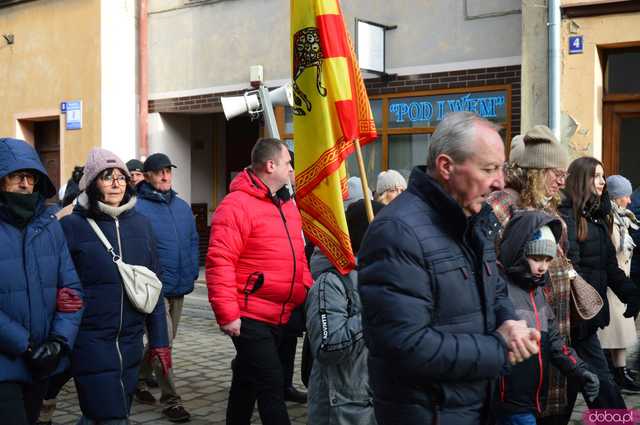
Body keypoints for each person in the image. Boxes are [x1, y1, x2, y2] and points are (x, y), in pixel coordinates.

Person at [357, 112, 541, 425]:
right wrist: (499, 347)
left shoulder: (472, 220)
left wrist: (508, 321)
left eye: (501, 168)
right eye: (489, 168)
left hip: (474, 407)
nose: (500, 181)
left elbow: (494, 290)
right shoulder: (397, 232)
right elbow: (406, 344)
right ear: (446, 167)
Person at [60, 148, 170, 425]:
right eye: (106, 177)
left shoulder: (142, 225)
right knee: (112, 417)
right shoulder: (72, 226)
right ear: (91, 184)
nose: (116, 183)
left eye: (121, 177)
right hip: (91, 340)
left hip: (132, 341)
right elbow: (56, 280)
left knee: (105, 413)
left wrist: (159, 340)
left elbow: (154, 285)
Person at [206, 138, 312, 425]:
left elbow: (297, 256)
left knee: (246, 380)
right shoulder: (236, 205)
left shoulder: (286, 203)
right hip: (249, 313)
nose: (292, 170)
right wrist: (228, 315)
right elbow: (220, 261)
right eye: (288, 163)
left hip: (280, 312)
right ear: (270, 165)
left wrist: (305, 290)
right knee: (271, 384)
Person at [486, 126, 575, 423]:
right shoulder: (502, 204)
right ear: (535, 171)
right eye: (555, 172)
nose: (562, 181)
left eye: (564, 173)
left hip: (549, 324)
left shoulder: (543, 205)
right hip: (520, 328)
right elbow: (487, 264)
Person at [0, 138, 83, 425]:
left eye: (31, 177)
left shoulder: (49, 226)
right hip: (5, 361)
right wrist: (24, 345)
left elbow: (72, 290)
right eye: (16, 176)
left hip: (44, 360)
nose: (25, 184)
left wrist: (59, 341)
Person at [495, 210, 600, 425]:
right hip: (508, 402)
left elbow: (553, 339)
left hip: (533, 400)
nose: (542, 267)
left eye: (547, 259)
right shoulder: (499, 290)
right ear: (518, 252)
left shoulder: (538, 292)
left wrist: (579, 370)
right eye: (535, 258)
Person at [559, 156, 640, 416]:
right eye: (595, 176)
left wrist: (631, 294)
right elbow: (572, 269)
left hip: (586, 321)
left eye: (603, 176)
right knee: (602, 389)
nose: (602, 182)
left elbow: (608, 267)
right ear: (581, 179)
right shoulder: (568, 215)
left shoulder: (596, 216)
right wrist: (585, 307)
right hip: (574, 323)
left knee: (572, 392)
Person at [305, 199, 384, 425]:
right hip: (344, 408)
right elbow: (328, 346)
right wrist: (374, 312)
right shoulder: (330, 283)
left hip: (381, 398)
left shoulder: (387, 276)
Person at [134, 152, 198, 423]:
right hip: (155, 289)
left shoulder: (182, 206)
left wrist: (193, 270)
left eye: (168, 171)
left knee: (164, 341)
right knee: (165, 344)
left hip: (179, 285)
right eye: (159, 171)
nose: (165, 175)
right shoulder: (136, 207)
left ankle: (137, 377)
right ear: (147, 175)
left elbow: (193, 240)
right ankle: (171, 400)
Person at [596, 175, 640, 392]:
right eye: (626, 196)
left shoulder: (624, 218)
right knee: (614, 331)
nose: (630, 201)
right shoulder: (610, 219)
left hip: (621, 282)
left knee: (619, 330)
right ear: (616, 197)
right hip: (613, 284)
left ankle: (618, 370)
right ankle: (615, 373)